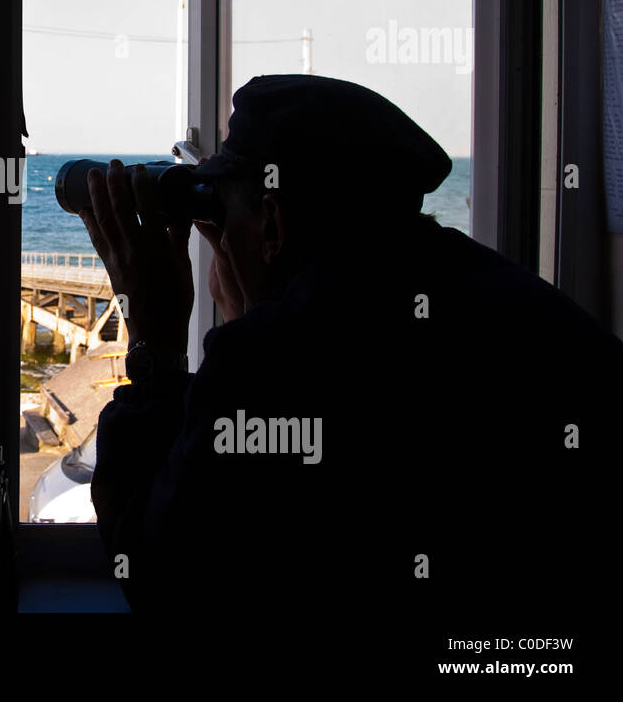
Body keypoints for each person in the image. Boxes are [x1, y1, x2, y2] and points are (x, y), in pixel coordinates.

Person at [79, 74, 618, 621]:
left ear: (273, 221)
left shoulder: (272, 360)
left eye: (227, 212)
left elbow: (161, 581)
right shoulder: (506, 297)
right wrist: (261, 303)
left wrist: (157, 341)